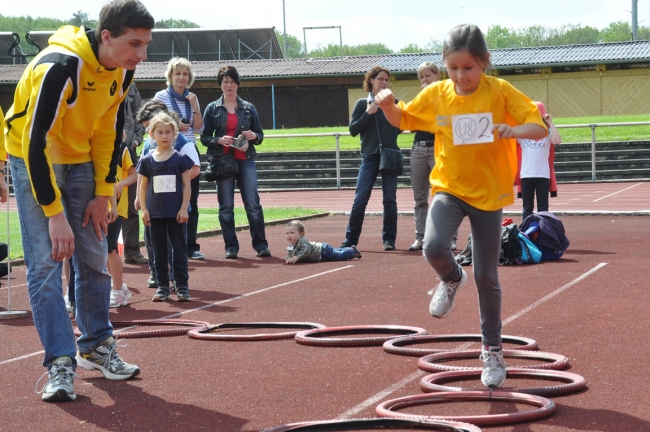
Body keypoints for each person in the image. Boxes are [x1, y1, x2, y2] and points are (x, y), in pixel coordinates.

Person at [374, 24, 547, 389]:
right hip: (449, 188)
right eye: (453, 68)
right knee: (434, 246)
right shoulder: (437, 93)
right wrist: (389, 105)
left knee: (487, 276)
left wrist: (513, 131)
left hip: (489, 195)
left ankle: (492, 349)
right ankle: (451, 277)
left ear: (484, 62)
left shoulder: (499, 92)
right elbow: (403, 119)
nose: (460, 76)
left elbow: (539, 126)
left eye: (468, 67)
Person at [3, 0, 153, 402]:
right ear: (107, 36)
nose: (142, 55)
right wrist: (54, 214)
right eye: (134, 44)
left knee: (92, 251)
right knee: (48, 261)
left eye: (146, 45)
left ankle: (96, 346)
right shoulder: (60, 67)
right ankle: (59, 362)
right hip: (33, 156)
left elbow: (108, 126)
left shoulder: (123, 69)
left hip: (82, 158)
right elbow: (34, 147)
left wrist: (104, 193)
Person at [200, 65, 270, 259]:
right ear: (220, 85)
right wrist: (218, 140)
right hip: (223, 161)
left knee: (253, 205)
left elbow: (260, 135)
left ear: (237, 83)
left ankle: (261, 245)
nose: (229, 85)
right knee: (226, 208)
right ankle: (231, 247)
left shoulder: (248, 108)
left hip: (245, 160)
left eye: (232, 81)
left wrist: (252, 136)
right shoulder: (212, 108)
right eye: (225, 82)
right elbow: (204, 137)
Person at [135, 100, 201, 290]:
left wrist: (182, 204)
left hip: (176, 208)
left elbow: (191, 177)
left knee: (177, 248)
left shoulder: (182, 152)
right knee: (156, 247)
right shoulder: (148, 153)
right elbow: (143, 178)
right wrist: (142, 202)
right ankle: (159, 280)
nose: (163, 135)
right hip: (155, 209)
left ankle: (179, 283)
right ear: (152, 134)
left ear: (174, 132)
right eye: (157, 131)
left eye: (167, 131)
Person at [341, 66, 401, 251]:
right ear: (371, 81)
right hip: (369, 157)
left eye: (387, 80)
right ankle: (350, 240)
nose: (384, 82)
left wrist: (391, 110)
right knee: (360, 200)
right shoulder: (361, 104)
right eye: (381, 79)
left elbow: (401, 126)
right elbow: (353, 130)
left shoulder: (394, 102)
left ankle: (389, 240)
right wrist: (368, 113)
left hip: (389, 155)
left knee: (389, 200)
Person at [154, 58, 205, 260]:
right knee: (166, 201)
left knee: (191, 201)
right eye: (178, 74)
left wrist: (194, 107)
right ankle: (166, 247)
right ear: (170, 76)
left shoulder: (192, 98)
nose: (181, 77)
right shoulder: (161, 97)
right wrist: (176, 124)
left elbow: (200, 128)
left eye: (185, 74)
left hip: (189, 150)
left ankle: (191, 246)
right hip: (167, 152)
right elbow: (156, 123)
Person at [517, 101, 562, 221]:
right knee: (527, 208)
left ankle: (544, 232)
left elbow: (557, 140)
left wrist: (550, 123)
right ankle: (526, 233)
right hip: (526, 175)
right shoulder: (522, 133)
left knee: (543, 208)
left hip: (543, 175)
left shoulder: (547, 133)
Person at [108, 138, 138, 307]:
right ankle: (119, 287)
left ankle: (118, 290)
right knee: (103, 249)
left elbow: (134, 173)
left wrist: (121, 184)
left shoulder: (122, 147)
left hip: (116, 206)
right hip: (98, 205)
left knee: (110, 248)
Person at [121, 82, 148, 265]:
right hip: (100, 150)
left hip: (127, 150)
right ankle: (100, 252)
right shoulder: (96, 78)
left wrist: (136, 140)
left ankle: (131, 251)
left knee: (131, 205)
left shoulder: (131, 86)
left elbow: (141, 117)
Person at [285, 220, 362, 264]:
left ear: (301, 234)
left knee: (338, 256)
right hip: (321, 253)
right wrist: (288, 258)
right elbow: (290, 254)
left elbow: (306, 250)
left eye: (292, 233)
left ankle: (352, 251)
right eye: (287, 233)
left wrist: (297, 257)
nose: (289, 235)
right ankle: (349, 249)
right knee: (335, 252)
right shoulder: (291, 245)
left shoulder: (303, 241)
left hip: (323, 251)